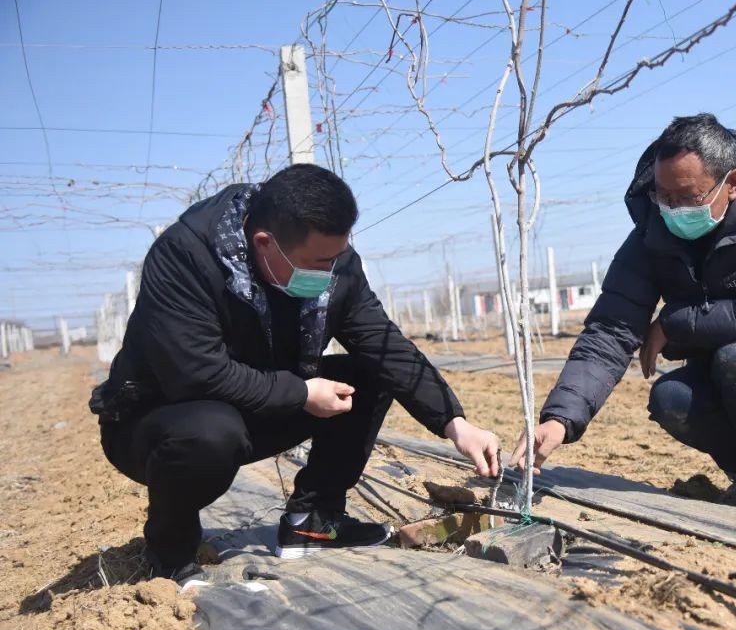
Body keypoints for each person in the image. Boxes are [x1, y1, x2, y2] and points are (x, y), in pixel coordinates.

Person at [92, 164, 500, 580]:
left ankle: (313, 521)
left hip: (259, 401)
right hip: (160, 421)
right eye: (319, 263)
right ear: (264, 243)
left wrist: (454, 422)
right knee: (212, 432)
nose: (329, 274)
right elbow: (196, 373)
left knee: (368, 376)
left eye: (336, 258)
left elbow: (383, 344)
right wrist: (302, 394)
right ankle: (170, 554)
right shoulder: (185, 257)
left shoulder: (333, 261)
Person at [512, 114, 736, 521]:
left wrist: (675, 323)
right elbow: (611, 328)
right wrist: (560, 419)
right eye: (663, 195)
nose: (673, 209)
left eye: (688, 197)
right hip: (726, 377)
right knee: (670, 398)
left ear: (733, 183)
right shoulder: (654, 231)